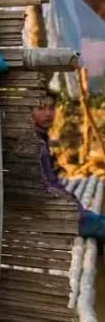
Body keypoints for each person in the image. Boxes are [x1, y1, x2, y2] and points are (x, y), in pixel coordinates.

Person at [34, 89, 105, 241]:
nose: (48, 113)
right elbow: (41, 188)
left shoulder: (42, 138)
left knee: (100, 219)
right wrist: (70, 202)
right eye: (41, 108)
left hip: (66, 209)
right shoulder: (30, 144)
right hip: (54, 215)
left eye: (51, 108)